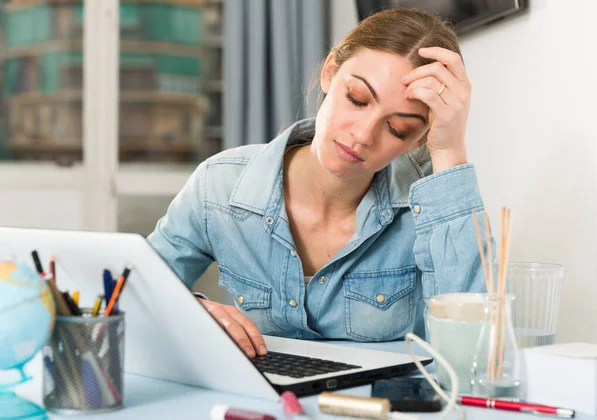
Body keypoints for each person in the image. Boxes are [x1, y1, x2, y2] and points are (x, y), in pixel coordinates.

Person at [148, 8, 491, 359]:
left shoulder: (430, 212)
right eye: (356, 99)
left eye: (398, 129)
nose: (362, 135)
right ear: (330, 72)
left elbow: (475, 354)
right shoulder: (218, 187)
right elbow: (127, 293)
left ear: (418, 140)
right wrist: (193, 312)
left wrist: (450, 151)